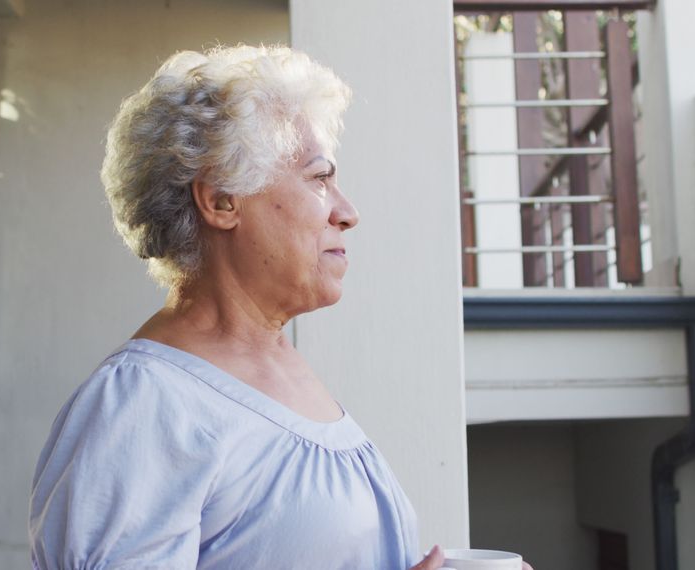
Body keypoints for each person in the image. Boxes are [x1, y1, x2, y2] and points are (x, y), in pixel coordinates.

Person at [30, 44, 527, 570]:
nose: (348, 211)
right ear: (221, 199)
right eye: (319, 178)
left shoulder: (282, 371)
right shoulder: (145, 407)